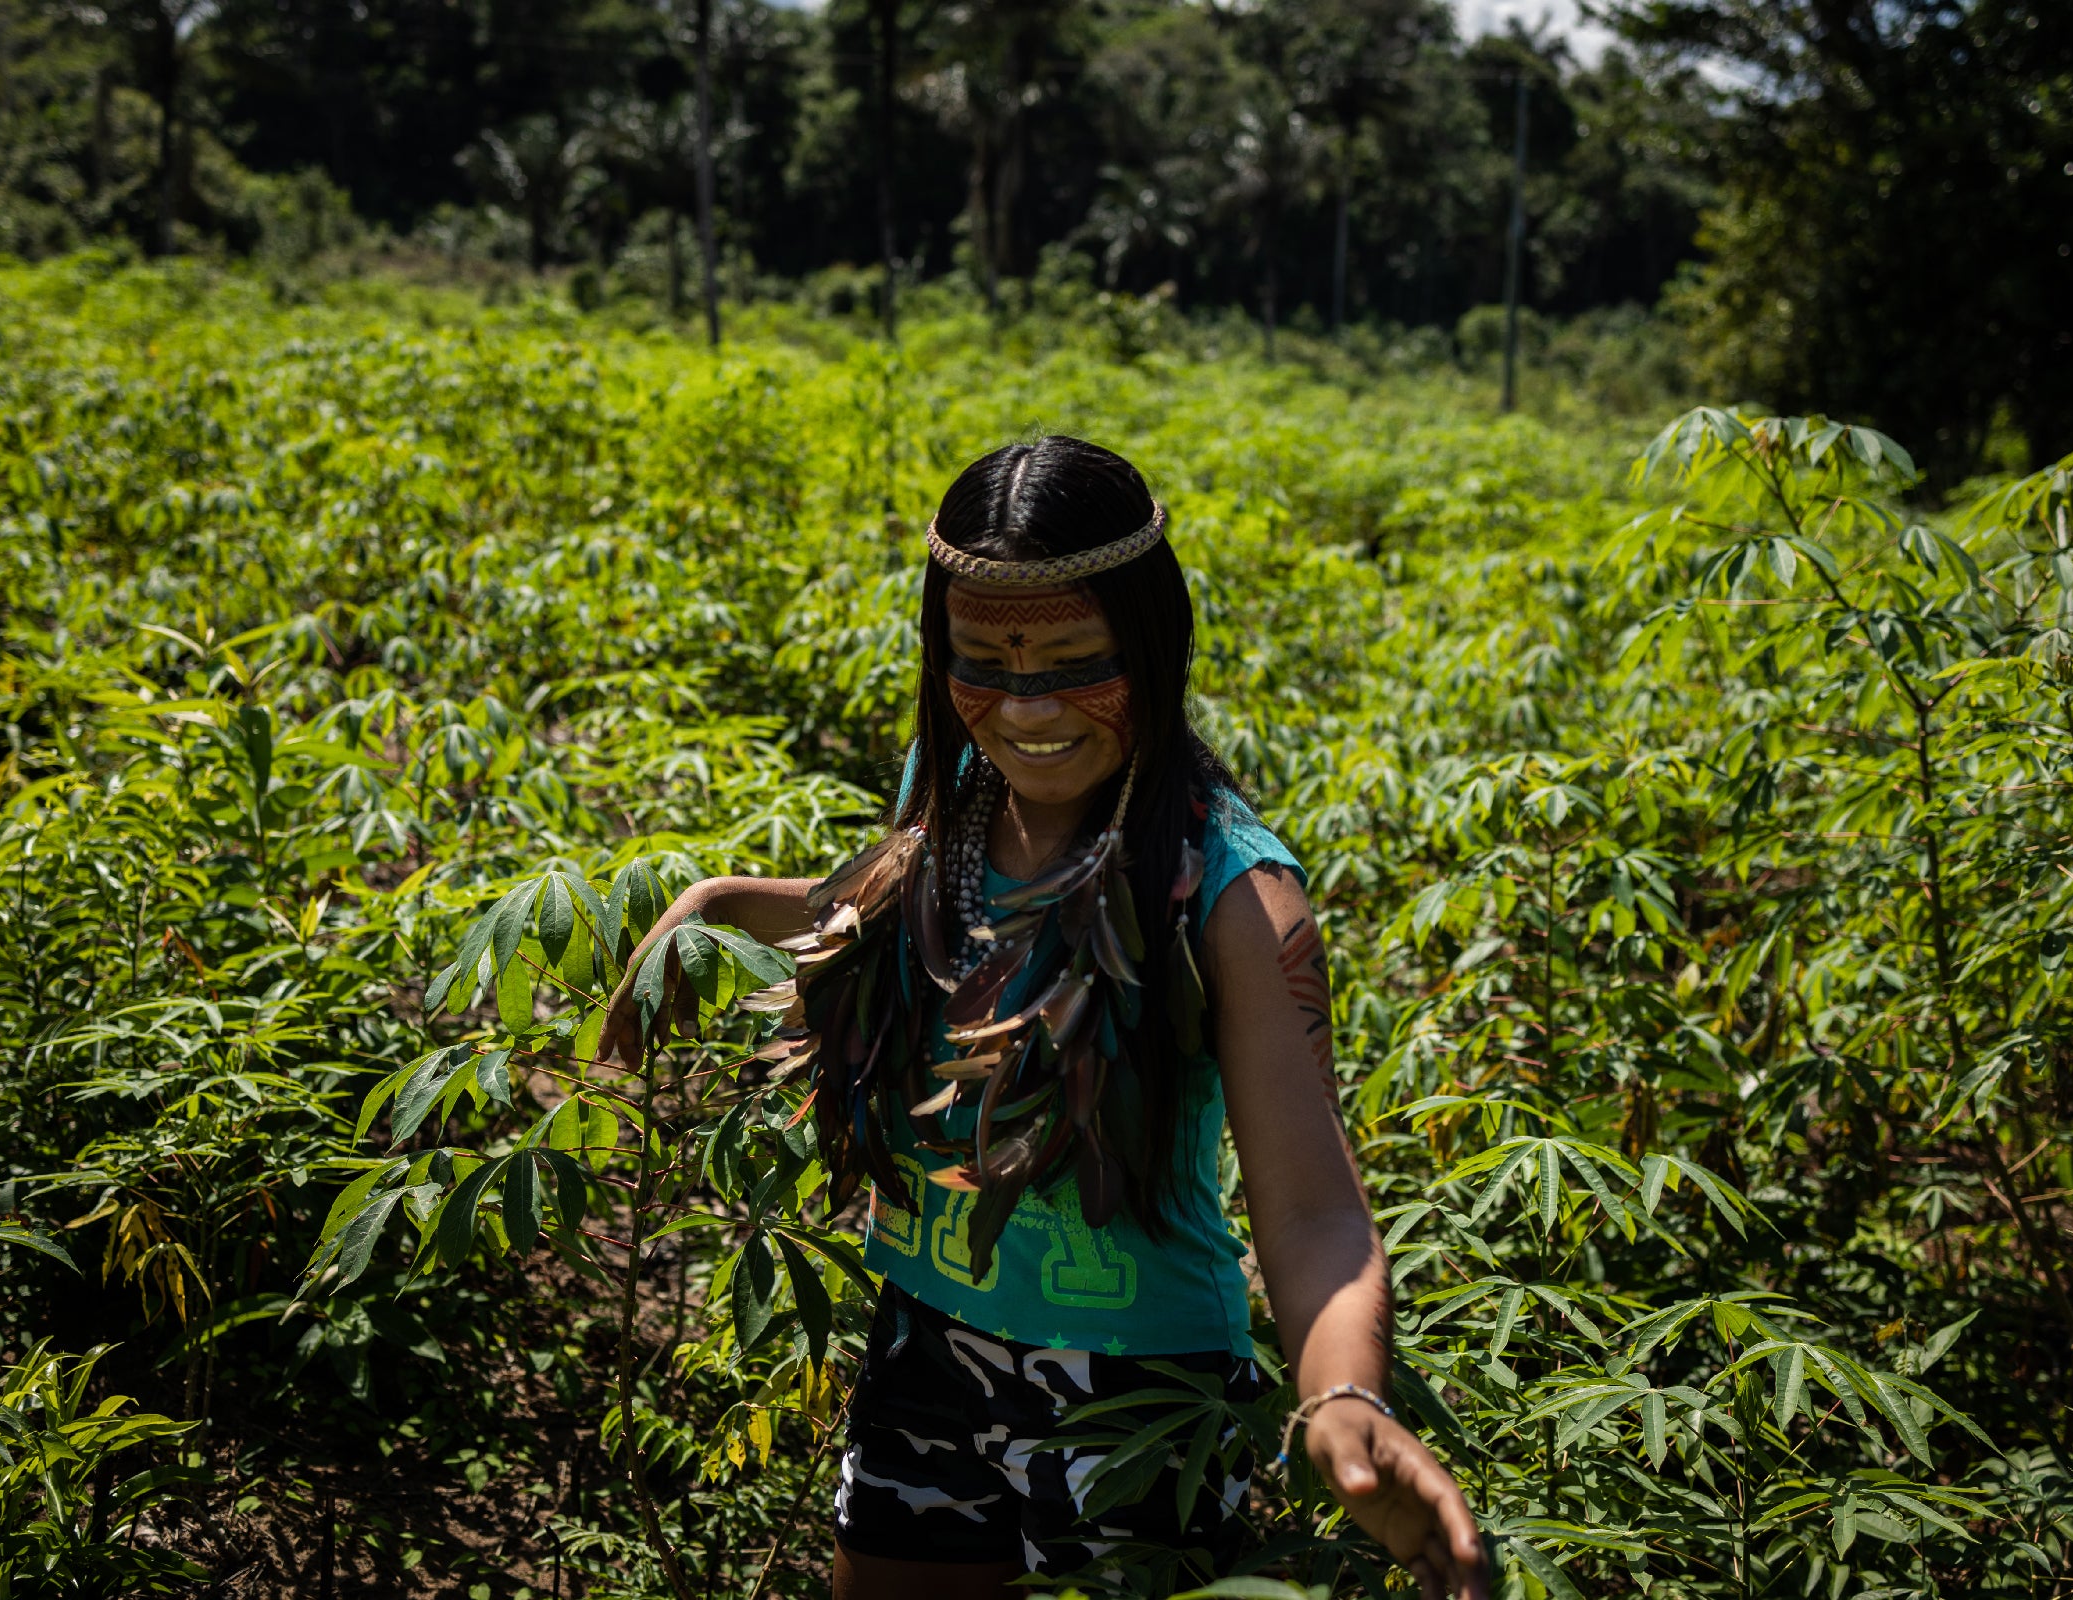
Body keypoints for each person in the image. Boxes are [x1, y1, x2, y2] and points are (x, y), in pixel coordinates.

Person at [606, 438, 1487, 1600]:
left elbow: (1315, 1204)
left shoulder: (1225, 888)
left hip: (1134, 1389)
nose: (1027, 709)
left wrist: (1340, 1397)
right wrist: (719, 907)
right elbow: (899, 910)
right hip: (923, 1337)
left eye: (1076, 662)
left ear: (1157, 646)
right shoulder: (956, 785)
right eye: (984, 662)